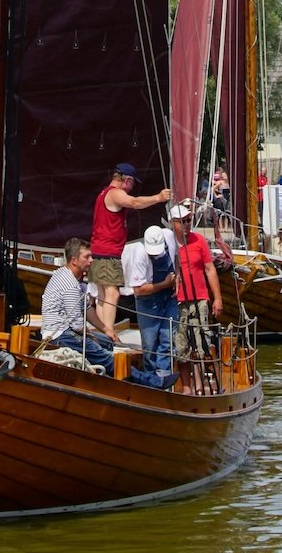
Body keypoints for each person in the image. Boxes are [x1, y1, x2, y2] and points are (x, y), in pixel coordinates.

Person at [90, 163, 171, 335]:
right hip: (108, 253)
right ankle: (109, 334)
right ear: (126, 180)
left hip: (97, 251)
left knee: (103, 297)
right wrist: (158, 197)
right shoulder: (115, 193)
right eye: (132, 184)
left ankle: (103, 332)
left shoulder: (102, 194)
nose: (132, 188)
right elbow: (134, 202)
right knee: (113, 295)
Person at [40, 238, 117, 374]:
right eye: (87, 257)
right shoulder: (70, 284)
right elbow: (77, 325)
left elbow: (87, 309)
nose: (91, 260)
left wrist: (107, 330)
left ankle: (106, 378)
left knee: (107, 341)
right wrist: (91, 336)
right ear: (74, 260)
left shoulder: (67, 275)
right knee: (106, 357)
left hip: (66, 332)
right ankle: (148, 382)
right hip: (60, 335)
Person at [170, 203, 223, 394]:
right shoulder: (169, 244)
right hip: (179, 302)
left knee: (202, 342)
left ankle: (202, 385)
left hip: (199, 298)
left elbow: (210, 269)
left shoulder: (198, 240)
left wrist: (217, 298)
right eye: (182, 221)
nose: (186, 225)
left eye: (188, 220)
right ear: (173, 223)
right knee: (181, 344)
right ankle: (187, 387)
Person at [122, 225, 179, 388]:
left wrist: (178, 278)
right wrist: (165, 283)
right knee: (150, 344)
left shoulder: (169, 236)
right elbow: (138, 290)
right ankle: (149, 380)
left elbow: (176, 257)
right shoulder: (139, 255)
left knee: (168, 339)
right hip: (148, 301)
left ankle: (163, 378)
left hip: (168, 297)